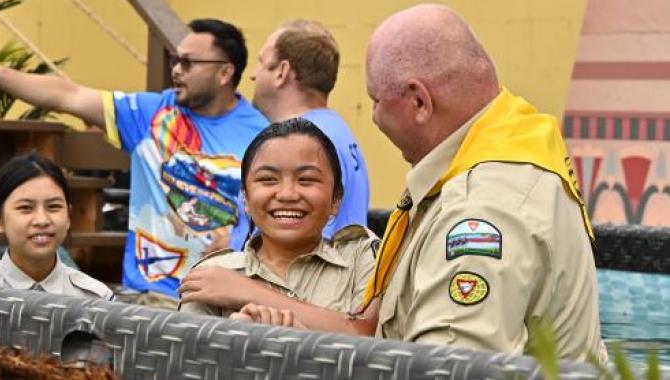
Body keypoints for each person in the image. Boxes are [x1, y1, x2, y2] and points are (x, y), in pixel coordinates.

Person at [233, 4, 607, 363]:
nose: (375, 118)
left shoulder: (479, 209)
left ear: (419, 101)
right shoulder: (507, 153)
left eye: (377, 101)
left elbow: (446, 366)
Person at [0, 19, 268, 303]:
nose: (177, 70)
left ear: (225, 72)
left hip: (221, 299)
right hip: (147, 297)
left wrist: (238, 238)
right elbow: (68, 95)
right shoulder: (151, 114)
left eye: (189, 63)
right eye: (175, 61)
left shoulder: (262, 135)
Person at [178, 118, 377, 319]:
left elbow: (368, 339)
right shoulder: (213, 276)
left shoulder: (361, 261)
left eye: (306, 180)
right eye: (268, 179)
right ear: (245, 198)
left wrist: (250, 293)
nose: (287, 194)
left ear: (336, 199)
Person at [229, 20, 370, 250]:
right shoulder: (336, 131)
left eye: (262, 62)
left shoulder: (302, 141)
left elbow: (295, 252)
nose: (254, 75)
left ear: (281, 72)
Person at [0, 153, 113, 300]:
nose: (42, 220)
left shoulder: (97, 299)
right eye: (25, 208)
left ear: (68, 216)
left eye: (53, 206)